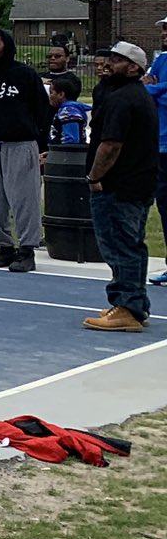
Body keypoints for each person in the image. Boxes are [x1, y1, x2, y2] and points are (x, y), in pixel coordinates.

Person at [82, 41, 159, 332]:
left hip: (118, 186)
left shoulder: (122, 100)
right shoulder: (136, 96)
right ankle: (135, 304)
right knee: (133, 245)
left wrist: (94, 177)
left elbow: (111, 145)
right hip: (138, 184)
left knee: (119, 245)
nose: (108, 64)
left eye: (117, 60)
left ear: (134, 67)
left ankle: (126, 306)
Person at [0, 29, 51, 274]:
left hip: (21, 143)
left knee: (24, 199)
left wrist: (40, 144)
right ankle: (5, 246)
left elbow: (41, 108)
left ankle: (27, 249)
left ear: (6, 46)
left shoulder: (25, 75)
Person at [147, 18, 167, 286]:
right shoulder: (161, 60)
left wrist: (153, 88)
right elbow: (146, 89)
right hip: (159, 145)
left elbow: (151, 88)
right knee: (164, 208)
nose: (164, 33)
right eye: (163, 28)